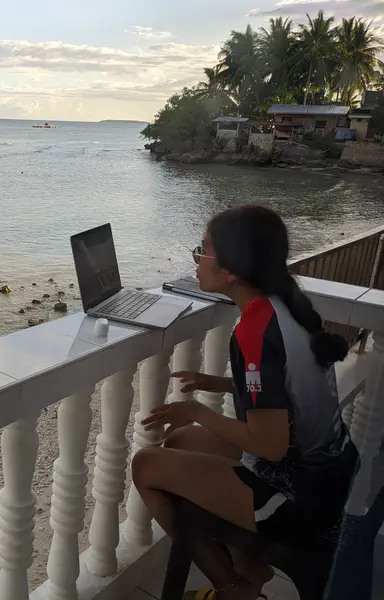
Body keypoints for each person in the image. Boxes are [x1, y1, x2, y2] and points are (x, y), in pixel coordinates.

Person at [130, 205, 358, 600]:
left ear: (232, 269)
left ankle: (234, 588)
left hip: (302, 498)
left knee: (145, 465)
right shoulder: (288, 306)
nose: (198, 260)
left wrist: (198, 409)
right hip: (331, 476)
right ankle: (250, 565)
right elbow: (285, 394)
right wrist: (219, 383)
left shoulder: (255, 329)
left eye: (204, 250)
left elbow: (268, 443)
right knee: (183, 439)